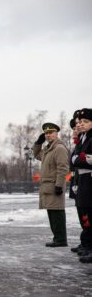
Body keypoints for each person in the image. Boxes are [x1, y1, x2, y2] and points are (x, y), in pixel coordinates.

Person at [32, 122, 69, 247]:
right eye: (46, 133)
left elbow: (63, 168)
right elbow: (37, 155)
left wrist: (59, 185)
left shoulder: (59, 148)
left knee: (57, 212)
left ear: (56, 133)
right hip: (48, 186)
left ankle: (61, 239)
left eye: (50, 133)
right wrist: (38, 143)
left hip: (54, 185)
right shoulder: (48, 149)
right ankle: (57, 238)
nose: (48, 135)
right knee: (52, 212)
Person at [71, 109, 92, 263]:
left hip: (89, 178)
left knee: (89, 212)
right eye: (79, 122)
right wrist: (78, 159)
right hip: (83, 178)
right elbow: (73, 159)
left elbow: (80, 160)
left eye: (85, 122)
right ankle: (87, 244)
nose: (80, 125)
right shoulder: (84, 138)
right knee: (84, 212)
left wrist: (78, 159)